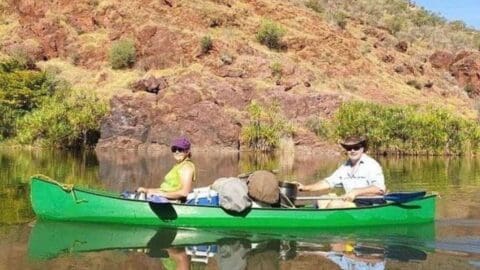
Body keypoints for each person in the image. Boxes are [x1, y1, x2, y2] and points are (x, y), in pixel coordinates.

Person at [296, 135, 385, 208]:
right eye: (349, 148)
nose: (352, 150)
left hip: (370, 202)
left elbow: (379, 189)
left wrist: (355, 192)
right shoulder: (345, 167)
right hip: (352, 201)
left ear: (362, 149)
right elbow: (328, 183)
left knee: (334, 205)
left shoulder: (372, 165)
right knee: (322, 200)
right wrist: (304, 188)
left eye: (356, 147)